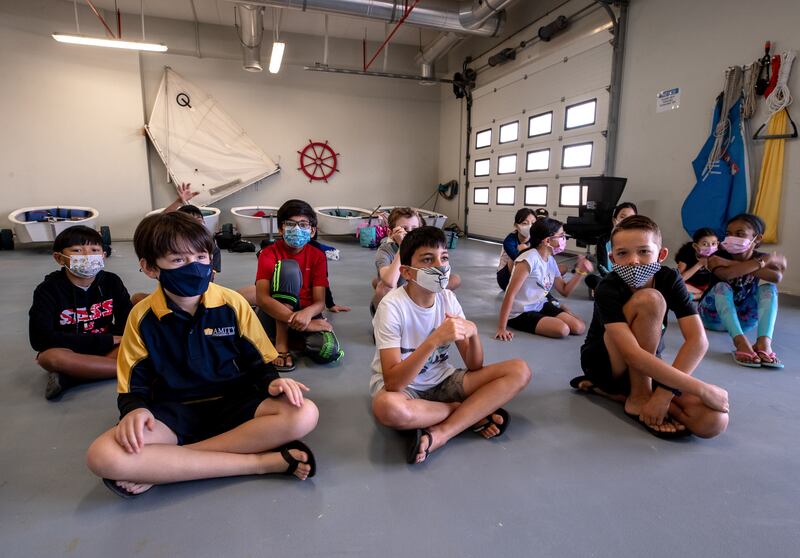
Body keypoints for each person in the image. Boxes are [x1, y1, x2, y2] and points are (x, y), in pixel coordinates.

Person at [85, 212, 318, 498]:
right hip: (173, 411)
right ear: (149, 267)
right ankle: (260, 462)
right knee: (103, 456)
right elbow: (135, 384)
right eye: (178, 260)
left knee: (304, 413)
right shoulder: (141, 317)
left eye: (200, 257)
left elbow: (260, 363)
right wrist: (135, 409)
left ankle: (172, 463)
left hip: (236, 404)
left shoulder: (233, 304)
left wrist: (273, 382)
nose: (193, 267)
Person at [370, 226, 531, 464]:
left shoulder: (447, 298)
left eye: (444, 257)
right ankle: (468, 412)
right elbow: (394, 383)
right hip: (406, 390)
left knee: (520, 370)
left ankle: (442, 432)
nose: (440, 265)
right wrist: (434, 340)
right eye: (428, 259)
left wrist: (473, 332)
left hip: (444, 379)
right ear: (408, 272)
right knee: (388, 408)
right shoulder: (391, 307)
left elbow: (475, 365)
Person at [571, 215, 730, 439]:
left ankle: (618, 394)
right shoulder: (608, 287)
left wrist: (665, 395)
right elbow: (631, 353)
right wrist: (700, 388)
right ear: (612, 258)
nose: (634, 260)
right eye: (623, 253)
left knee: (712, 422)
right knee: (651, 299)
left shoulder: (669, 278)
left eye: (644, 251)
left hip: (648, 362)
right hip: (606, 363)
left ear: (661, 254)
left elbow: (698, 340)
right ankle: (637, 396)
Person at [29, 225, 132, 400]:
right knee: (50, 357)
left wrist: (117, 339)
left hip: (108, 347)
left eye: (94, 250)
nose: (87, 255)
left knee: (133, 344)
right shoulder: (48, 289)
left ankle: (71, 377)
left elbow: (128, 321)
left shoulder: (111, 282)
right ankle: (131, 368)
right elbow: (40, 338)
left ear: (103, 256)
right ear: (59, 258)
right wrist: (107, 339)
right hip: (70, 349)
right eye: (77, 250)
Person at [255, 199, 344, 372]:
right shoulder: (268, 253)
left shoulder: (318, 256)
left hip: (306, 313)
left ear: (312, 231)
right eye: (290, 224)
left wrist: (306, 315)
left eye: (303, 224)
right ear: (281, 228)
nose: (297, 229)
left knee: (328, 351)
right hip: (274, 313)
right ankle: (282, 343)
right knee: (288, 268)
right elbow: (263, 298)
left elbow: (319, 301)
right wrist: (304, 323)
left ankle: (293, 336)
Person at [700, 213, 785, 368]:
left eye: (739, 234)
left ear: (757, 239)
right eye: (728, 234)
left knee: (769, 288)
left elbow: (776, 277)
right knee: (721, 287)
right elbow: (726, 274)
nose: (732, 238)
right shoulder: (715, 257)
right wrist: (764, 262)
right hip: (712, 316)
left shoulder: (758, 257)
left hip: (744, 320)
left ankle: (763, 344)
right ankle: (740, 342)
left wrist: (730, 263)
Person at [495, 218, 592, 340]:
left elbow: (564, 290)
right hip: (520, 312)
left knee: (579, 327)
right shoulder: (528, 259)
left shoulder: (550, 260)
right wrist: (501, 328)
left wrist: (580, 272)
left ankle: (547, 318)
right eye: (561, 236)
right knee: (563, 329)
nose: (564, 239)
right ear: (547, 240)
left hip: (539, 305)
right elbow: (510, 294)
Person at [371, 207, 461, 314]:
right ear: (391, 233)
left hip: (419, 287)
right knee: (383, 287)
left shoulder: (423, 247)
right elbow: (390, 282)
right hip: (398, 294)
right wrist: (403, 247)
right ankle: (384, 318)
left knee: (455, 279)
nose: (409, 234)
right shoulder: (385, 250)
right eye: (403, 229)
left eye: (414, 229)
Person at [584, 202, 638, 293]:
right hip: (611, 278)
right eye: (623, 217)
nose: (626, 221)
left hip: (634, 280)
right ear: (614, 220)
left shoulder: (641, 240)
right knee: (591, 279)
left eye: (631, 218)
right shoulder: (604, 240)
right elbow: (602, 266)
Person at [496, 208, 535, 291]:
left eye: (533, 223)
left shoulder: (536, 238)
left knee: (561, 268)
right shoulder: (509, 240)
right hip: (505, 277)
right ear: (516, 225)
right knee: (521, 250)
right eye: (525, 223)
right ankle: (515, 287)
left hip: (527, 273)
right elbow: (517, 259)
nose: (530, 226)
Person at [675, 227, 718, 300]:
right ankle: (703, 294)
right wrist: (699, 264)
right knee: (674, 284)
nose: (710, 247)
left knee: (721, 286)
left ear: (718, 244)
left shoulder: (718, 254)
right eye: (705, 244)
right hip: (691, 286)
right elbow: (679, 279)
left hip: (708, 285)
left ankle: (697, 296)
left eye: (713, 244)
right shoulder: (687, 252)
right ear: (695, 246)